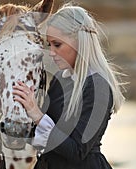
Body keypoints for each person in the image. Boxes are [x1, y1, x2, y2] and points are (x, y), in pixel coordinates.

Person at [12, 4, 125, 169]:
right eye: (49, 45)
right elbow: (41, 131)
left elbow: (77, 151)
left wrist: (36, 114)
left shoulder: (99, 88)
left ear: (79, 42)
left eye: (57, 45)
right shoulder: (61, 78)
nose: (51, 52)